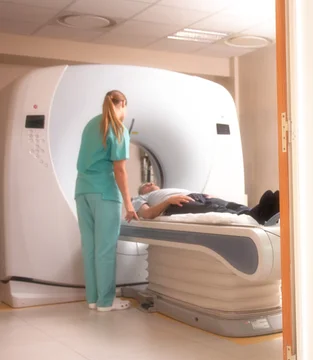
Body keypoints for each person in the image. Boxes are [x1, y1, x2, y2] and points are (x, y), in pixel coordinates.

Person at [74, 90, 138, 313]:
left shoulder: (92, 124)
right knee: (105, 250)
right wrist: (129, 204)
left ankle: (93, 299)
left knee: (90, 248)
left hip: (82, 192)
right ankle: (106, 302)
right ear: (123, 105)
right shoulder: (118, 129)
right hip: (104, 194)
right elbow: (119, 170)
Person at [133, 182, 280, 225]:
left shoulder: (166, 189)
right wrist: (168, 201)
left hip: (196, 195)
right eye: (147, 184)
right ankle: (255, 216)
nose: (151, 183)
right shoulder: (139, 198)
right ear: (144, 189)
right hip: (174, 205)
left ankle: (265, 210)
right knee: (212, 208)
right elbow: (147, 214)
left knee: (228, 204)